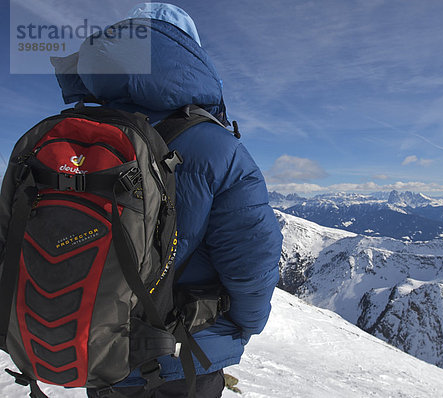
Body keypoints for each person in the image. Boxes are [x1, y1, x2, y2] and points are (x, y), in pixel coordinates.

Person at [52, 3, 282, 397]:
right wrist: (243, 327)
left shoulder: (69, 136)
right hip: (180, 355)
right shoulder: (216, 147)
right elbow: (252, 261)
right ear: (190, 56)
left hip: (94, 347)